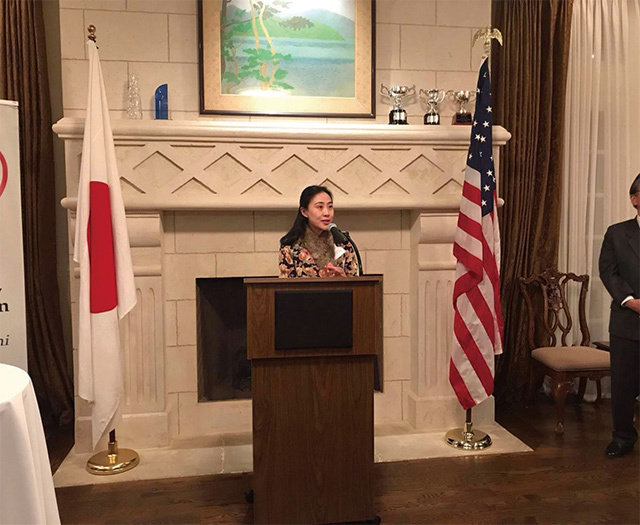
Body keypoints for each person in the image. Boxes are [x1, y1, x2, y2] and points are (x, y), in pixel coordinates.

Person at [598, 173, 640, 458]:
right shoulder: (617, 233)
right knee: (624, 386)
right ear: (634, 199)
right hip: (628, 321)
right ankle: (623, 437)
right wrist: (630, 301)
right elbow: (608, 272)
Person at [279, 185, 359, 278]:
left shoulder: (342, 243)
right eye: (320, 207)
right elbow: (286, 285)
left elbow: (356, 283)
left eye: (330, 207)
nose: (327, 213)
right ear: (304, 211)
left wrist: (342, 278)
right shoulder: (290, 247)